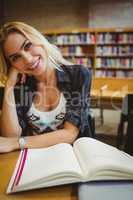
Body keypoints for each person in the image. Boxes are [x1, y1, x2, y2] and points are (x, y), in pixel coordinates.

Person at [0, 21, 92, 153]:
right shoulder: (19, 85)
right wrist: (9, 85)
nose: (28, 59)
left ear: (39, 40)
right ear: (11, 65)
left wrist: (17, 143)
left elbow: (70, 134)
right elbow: (10, 137)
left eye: (28, 45)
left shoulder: (79, 75)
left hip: (73, 160)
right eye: (16, 58)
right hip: (35, 160)